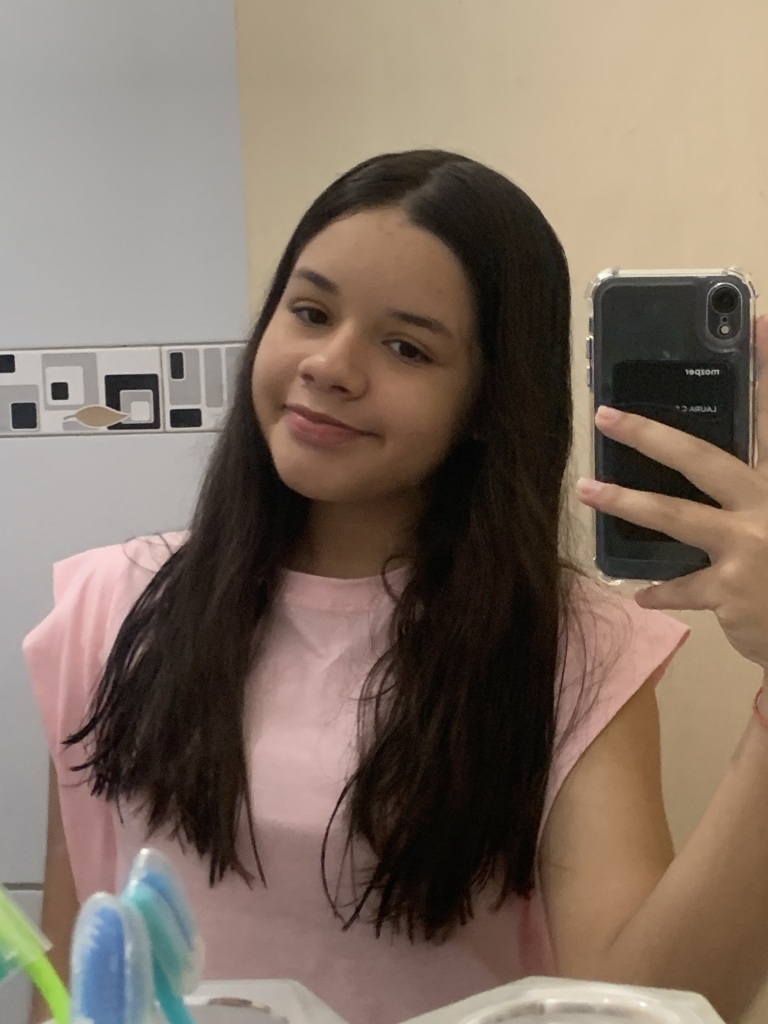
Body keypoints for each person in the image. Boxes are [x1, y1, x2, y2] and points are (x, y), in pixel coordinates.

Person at [23, 149, 768, 1024]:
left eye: (407, 347)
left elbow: (644, 1004)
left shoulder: (575, 650)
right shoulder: (113, 607)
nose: (330, 364)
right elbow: (74, 973)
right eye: (310, 311)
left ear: (488, 401)